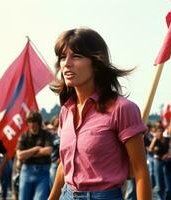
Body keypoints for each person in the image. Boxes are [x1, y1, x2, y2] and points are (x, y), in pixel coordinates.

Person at [48, 27, 151, 200]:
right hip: (66, 194)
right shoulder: (66, 111)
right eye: (63, 57)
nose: (67, 63)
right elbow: (64, 165)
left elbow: (141, 171)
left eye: (76, 56)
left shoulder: (122, 109)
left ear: (96, 64)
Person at [16, 111, 53, 200]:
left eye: (34, 121)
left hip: (43, 172)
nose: (32, 124)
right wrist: (35, 149)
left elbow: (48, 151)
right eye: (29, 122)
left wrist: (28, 154)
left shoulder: (46, 134)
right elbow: (20, 155)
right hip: (26, 171)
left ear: (38, 122)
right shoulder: (23, 136)